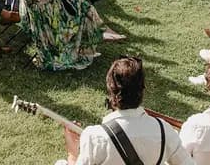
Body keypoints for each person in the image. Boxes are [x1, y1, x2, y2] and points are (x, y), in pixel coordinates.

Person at [56, 56, 194, 165]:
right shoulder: (164, 129)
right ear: (142, 90)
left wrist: (73, 154)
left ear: (111, 91)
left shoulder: (94, 136)